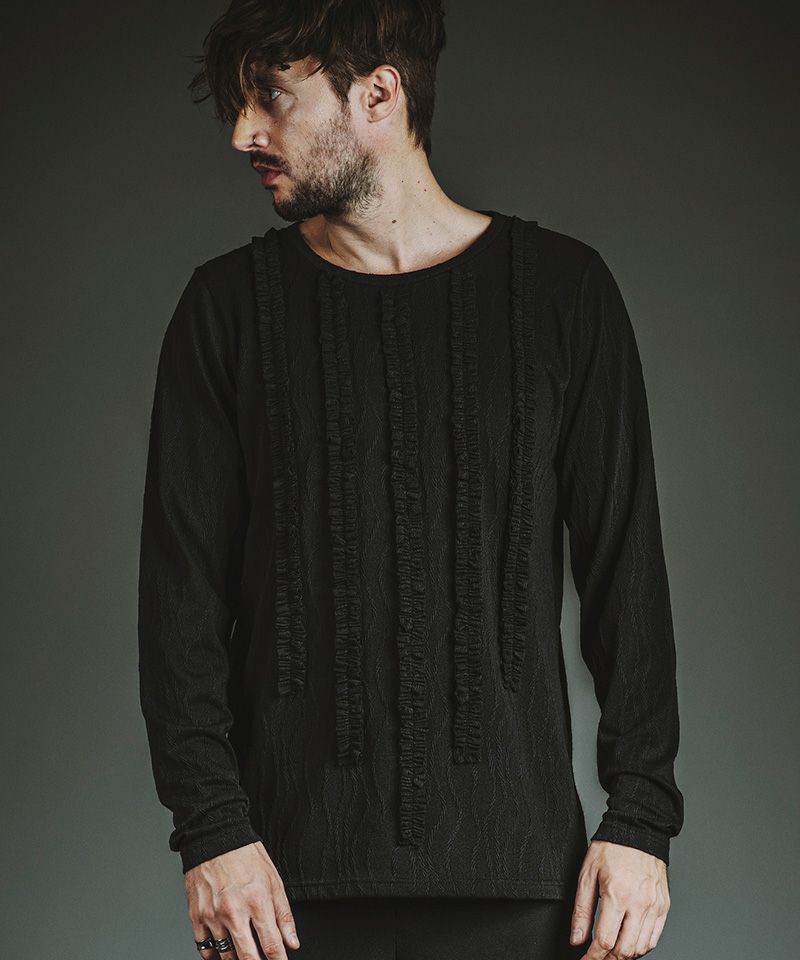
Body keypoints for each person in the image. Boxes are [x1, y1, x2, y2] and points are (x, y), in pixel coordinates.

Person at [137, 2, 684, 958]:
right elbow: (179, 601)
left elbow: (626, 578)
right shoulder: (224, 311)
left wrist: (640, 820)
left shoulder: (566, 294)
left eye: (271, 97)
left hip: (524, 887)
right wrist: (211, 831)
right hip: (280, 899)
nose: (243, 134)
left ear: (379, 93)